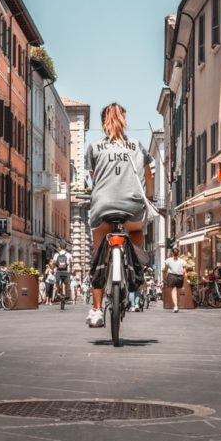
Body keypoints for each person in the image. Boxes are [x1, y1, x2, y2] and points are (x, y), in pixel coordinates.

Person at [84, 102, 154, 327]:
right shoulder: (137, 146)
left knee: (97, 257)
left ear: (102, 122)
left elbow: (95, 179)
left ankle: (96, 310)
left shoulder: (94, 147)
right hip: (132, 206)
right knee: (136, 230)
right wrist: (149, 198)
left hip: (102, 205)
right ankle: (136, 268)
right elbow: (148, 175)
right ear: (124, 120)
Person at [164, 247, 186, 313]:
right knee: (178, 291)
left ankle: (176, 306)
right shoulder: (182, 261)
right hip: (180, 277)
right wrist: (185, 279)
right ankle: (176, 305)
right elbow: (184, 271)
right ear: (178, 253)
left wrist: (164, 277)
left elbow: (165, 269)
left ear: (172, 253)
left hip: (171, 276)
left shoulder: (168, 260)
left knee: (174, 291)